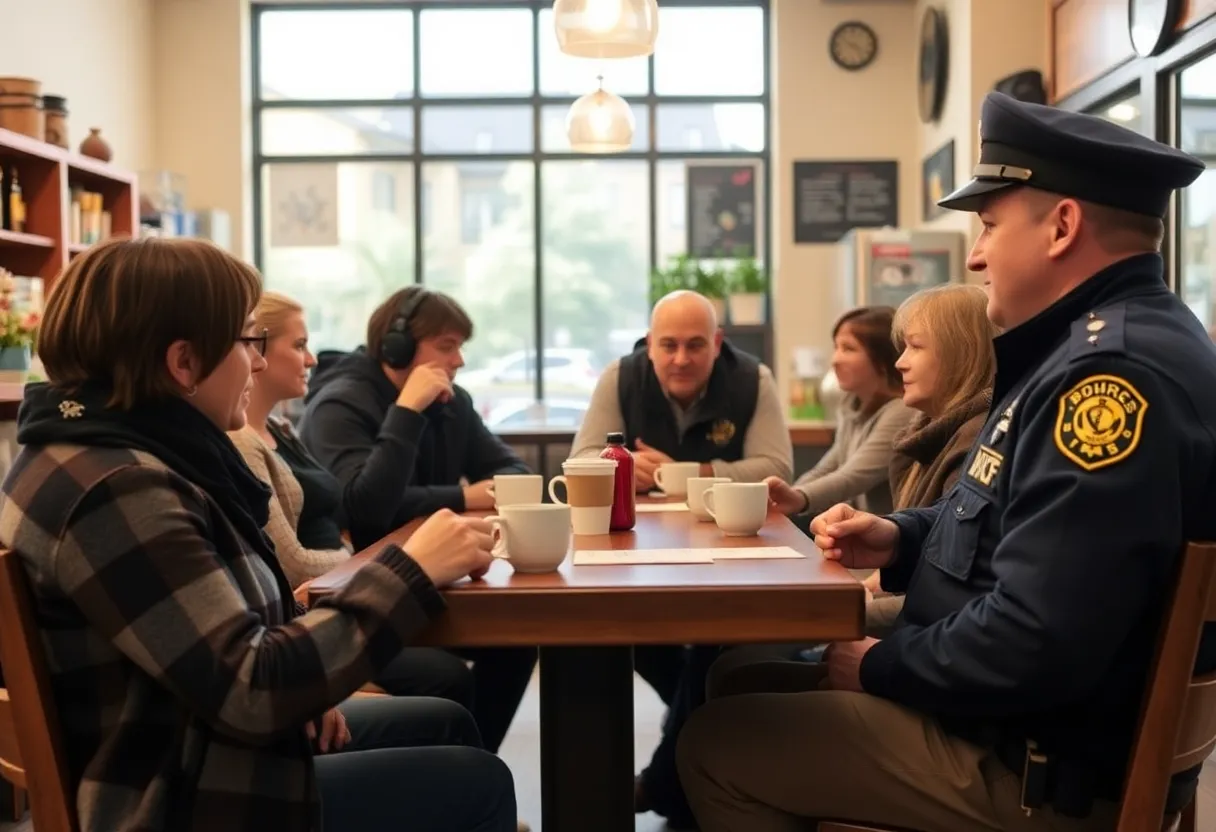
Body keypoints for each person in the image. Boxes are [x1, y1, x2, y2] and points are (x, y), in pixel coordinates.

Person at [676, 92, 1216, 831]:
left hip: (1035, 772)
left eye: (991, 225)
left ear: (1061, 227)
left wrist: (877, 667)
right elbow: (1013, 514)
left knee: (717, 743)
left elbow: (1036, 638)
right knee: (736, 678)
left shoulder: (1108, 379)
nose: (975, 254)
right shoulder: (1101, 347)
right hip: (1030, 731)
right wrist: (901, 535)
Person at [0, 238, 516, 832]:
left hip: (194, 741)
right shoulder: (117, 491)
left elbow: (218, 636)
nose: (260, 362)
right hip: (184, 797)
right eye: (249, 342)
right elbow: (252, 688)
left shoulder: (93, 453)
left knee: (443, 721)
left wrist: (309, 686)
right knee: (477, 781)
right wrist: (411, 572)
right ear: (184, 363)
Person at [298, 285, 536, 754]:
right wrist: (408, 413)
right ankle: (463, 786)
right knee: (445, 675)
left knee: (517, 641)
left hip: (440, 577)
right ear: (397, 346)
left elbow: (514, 471)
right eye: (447, 346)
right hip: (366, 588)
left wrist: (463, 494)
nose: (459, 360)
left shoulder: (452, 401)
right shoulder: (340, 403)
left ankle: (472, 778)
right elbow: (365, 507)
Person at [230, 290, 475, 708]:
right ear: (259, 351)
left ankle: (467, 757)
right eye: (300, 345)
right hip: (324, 605)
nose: (312, 360)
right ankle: (464, 759)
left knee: (514, 645)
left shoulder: (281, 431)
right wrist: (402, 556)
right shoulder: (256, 439)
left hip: (345, 584)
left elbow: (342, 515)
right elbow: (297, 563)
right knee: (445, 677)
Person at [862, 283, 997, 635]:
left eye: (915, 347)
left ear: (961, 355)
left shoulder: (979, 439)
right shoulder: (923, 433)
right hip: (914, 634)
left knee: (737, 673)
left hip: (927, 643)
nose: (899, 363)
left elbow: (947, 594)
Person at [570, 289, 793, 491]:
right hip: (637, 527)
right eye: (669, 345)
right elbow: (579, 462)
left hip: (725, 526)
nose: (681, 359)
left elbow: (777, 470)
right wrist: (618, 465)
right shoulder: (619, 377)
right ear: (650, 346)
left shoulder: (753, 379)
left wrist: (681, 474)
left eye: (695, 345)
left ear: (716, 343)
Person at [765, 306, 914, 520]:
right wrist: (779, 500)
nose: (835, 360)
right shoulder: (851, 405)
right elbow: (826, 468)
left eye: (848, 349)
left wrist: (797, 497)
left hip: (885, 541)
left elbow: (852, 477)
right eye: (836, 347)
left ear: (883, 359)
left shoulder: (902, 412)